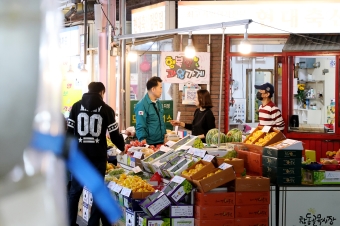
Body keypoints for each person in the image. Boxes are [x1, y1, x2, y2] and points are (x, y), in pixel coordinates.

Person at [67, 82, 125, 226]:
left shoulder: (75, 107)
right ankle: (92, 224)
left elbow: (68, 133)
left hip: (79, 156)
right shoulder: (107, 110)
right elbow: (114, 135)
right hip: (97, 156)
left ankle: (70, 223)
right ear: (102, 92)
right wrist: (123, 146)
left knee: (74, 193)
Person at [134, 77, 166, 145]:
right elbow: (140, 126)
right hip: (149, 144)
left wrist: (164, 135)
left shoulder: (158, 103)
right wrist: (144, 143)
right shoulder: (141, 105)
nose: (161, 90)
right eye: (160, 88)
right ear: (153, 89)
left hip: (160, 142)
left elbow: (161, 122)